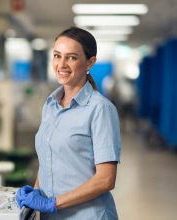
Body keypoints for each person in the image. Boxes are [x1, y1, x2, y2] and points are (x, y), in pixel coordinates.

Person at [16, 27, 121, 220]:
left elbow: (106, 179)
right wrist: (37, 193)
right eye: (57, 56)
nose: (61, 64)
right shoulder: (50, 105)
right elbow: (48, 157)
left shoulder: (100, 109)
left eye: (71, 57)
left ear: (90, 62)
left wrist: (51, 204)